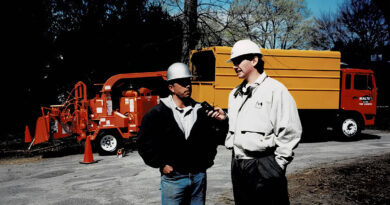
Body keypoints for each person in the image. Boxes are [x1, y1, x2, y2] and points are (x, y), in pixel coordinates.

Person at [137, 62, 227, 205]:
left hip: (198, 177)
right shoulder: (157, 113)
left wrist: (222, 121)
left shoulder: (201, 111)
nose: (188, 86)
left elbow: (218, 139)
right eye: (183, 83)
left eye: (188, 82)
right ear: (171, 87)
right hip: (173, 179)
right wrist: (161, 164)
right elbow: (144, 143)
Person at [225, 39, 302, 204]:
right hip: (238, 163)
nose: (234, 66)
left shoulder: (275, 90)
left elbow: (291, 130)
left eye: (238, 61)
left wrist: (277, 165)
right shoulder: (235, 94)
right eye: (233, 62)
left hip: (263, 164)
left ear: (254, 60)